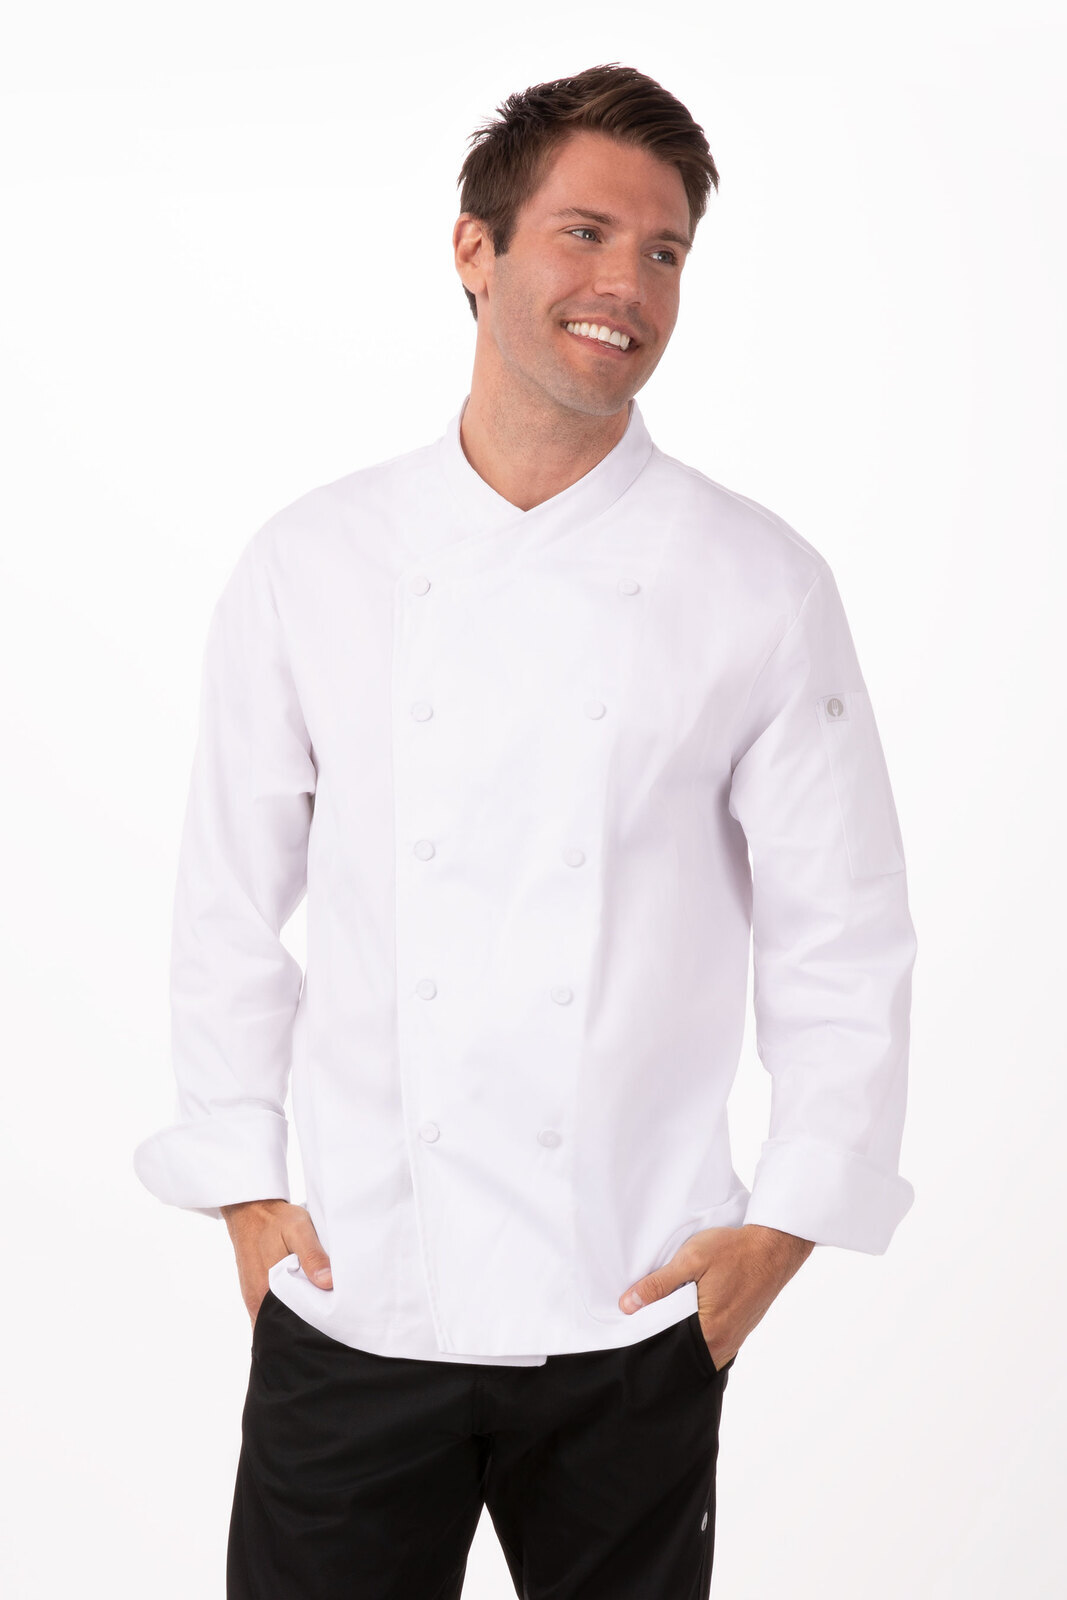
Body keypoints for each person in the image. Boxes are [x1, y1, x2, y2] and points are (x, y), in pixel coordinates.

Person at [133, 61, 918, 1600]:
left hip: (631, 1305)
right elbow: (229, 900)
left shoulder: (757, 582)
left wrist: (782, 1230)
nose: (628, 283)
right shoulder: (314, 561)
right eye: (585, 233)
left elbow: (844, 933)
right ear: (474, 250)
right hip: (359, 1294)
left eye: (666, 250)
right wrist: (242, 1181)